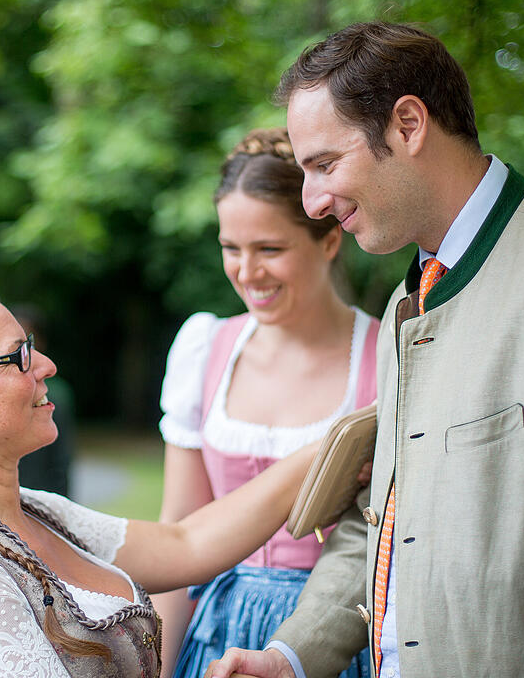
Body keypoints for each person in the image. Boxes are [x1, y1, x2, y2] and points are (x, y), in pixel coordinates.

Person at [207, 21, 524, 678]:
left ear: (409, 125)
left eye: (324, 165)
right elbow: (386, 519)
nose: (312, 202)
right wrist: (291, 656)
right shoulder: (409, 301)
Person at [0, 277, 324, 678]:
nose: (46, 365)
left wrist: (328, 447)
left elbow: (187, 544)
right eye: (17, 356)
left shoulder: (37, 511)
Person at [154, 128, 379, 678]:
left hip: (338, 637)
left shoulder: (386, 357)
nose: (247, 272)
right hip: (217, 634)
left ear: (329, 240)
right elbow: (177, 531)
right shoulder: (205, 348)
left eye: (270, 249)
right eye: (231, 248)